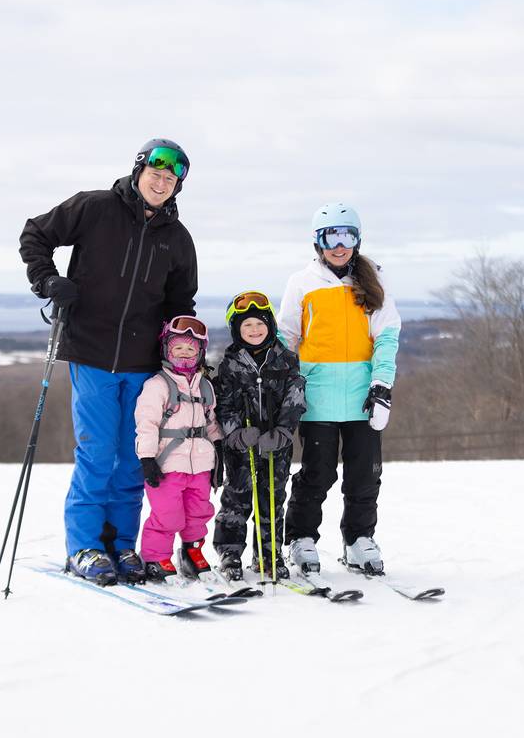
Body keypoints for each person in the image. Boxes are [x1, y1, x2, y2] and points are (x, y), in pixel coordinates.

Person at [19, 139, 197, 585]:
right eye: (155, 173)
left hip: (142, 365)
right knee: (97, 454)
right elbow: (35, 234)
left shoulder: (177, 239)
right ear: (139, 172)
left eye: (170, 179)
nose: (161, 182)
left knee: (134, 456)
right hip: (91, 353)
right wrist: (47, 280)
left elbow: (181, 303)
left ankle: (121, 545)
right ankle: (85, 546)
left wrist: (181, 355)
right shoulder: (94, 208)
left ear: (177, 187)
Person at [277, 202, 401, 575]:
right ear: (318, 241)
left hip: (363, 396)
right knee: (318, 472)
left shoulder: (374, 279)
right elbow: (287, 338)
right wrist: (283, 389)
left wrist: (382, 384)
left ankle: (358, 539)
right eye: (332, 236)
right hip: (318, 396)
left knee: (365, 473)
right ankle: (300, 538)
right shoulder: (302, 283)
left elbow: (387, 335)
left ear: (357, 239)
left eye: (347, 235)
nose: (339, 244)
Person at [212, 291, 306, 581]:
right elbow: (223, 404)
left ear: (271, 326)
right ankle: (229, 553)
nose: (255, 330)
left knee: (272, 499)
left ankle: (269, 553)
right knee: (237, 500)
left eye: (260, 324)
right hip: (242, 448)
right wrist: (235, 434)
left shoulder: (286, 360)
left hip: (276, 447)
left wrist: (282, 432)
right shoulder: (229, 365)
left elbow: (296, 397)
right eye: (247, 325)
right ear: (236, 330)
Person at [135, 316, 223, 581]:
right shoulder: (157, 386)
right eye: (178, 348)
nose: (185, 354)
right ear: (166, 350)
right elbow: (147, 424)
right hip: (167, 464)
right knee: (167, 515)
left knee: (199, 512)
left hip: (200, 464)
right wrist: (147, 458)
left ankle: (191, 552)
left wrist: (218, 448)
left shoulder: (205, 386)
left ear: (200, 353)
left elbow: (211, 421)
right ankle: (155, 557)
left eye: (191, 349)